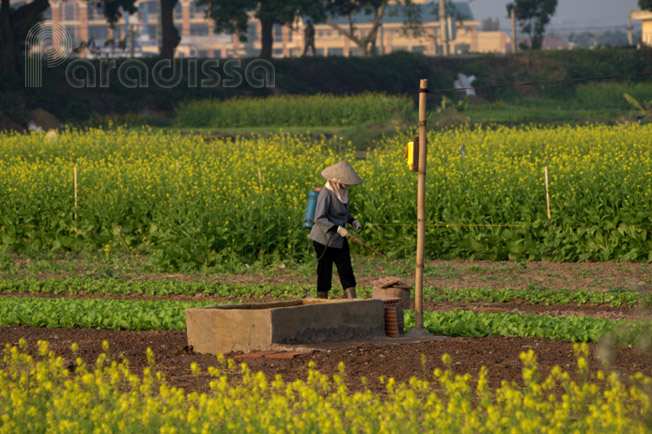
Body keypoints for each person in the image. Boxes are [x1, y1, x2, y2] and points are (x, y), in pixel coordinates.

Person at [309, 160, 363, 299]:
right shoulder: (326, 194)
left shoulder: (343, 192)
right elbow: (319, 218)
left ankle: (352, 302)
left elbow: (345, 213)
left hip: (339, 239)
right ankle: (321, 303)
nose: (347, 184)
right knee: (324, 272)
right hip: (324, 240)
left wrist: (353, 221)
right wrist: (338, 228)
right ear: (336, 180)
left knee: (346, 270)